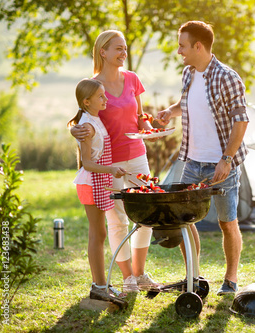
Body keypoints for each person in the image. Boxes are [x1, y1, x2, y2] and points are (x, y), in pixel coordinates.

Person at [156, 21, 249, 295]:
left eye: (182, 45)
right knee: (184, 222)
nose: (178, 51)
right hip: (192, 162)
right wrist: (169, 112)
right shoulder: (188, 73)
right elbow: (186, 103)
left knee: (227, 222)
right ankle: (193, 277)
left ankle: (230, 280)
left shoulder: (227, 77)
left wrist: (227, 158)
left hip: (222, 164)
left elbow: (241, 120)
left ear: (198, 46)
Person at [70, 30, 158, 292]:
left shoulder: (132, 79)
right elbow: (84, 120)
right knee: (118, 220)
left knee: (146, 216)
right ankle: (128, 276)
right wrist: (73, 130)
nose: (123, 53)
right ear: (103, 52)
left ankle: (140, 274)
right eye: (118, 48)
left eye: (125, 48)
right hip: (110, 164)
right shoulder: (93, 86)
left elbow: (140, 115)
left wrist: (148, 125)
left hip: (138, 155)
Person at [67, 78, 127, 298]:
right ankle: (99, 287)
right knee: (97, 234)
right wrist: (112, 170)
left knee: (100, 232)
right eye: (101, 96)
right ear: (86, 101)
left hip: (97, 182)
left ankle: (101, 285)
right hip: (90, 183)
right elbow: (88, 163)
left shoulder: (93, 118)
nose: (106, 99)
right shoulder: (87, 126)